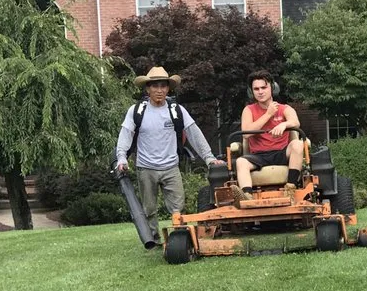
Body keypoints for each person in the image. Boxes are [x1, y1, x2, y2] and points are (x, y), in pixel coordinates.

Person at [113, 66, 223, 245]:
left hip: (171, 167)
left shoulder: (176, 110)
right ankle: (153, 239)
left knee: (178, 206)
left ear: (168, 88)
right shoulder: (136, 111)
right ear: (147, 89)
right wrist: (121, 158)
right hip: (146, 168)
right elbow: (126, 135)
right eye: (155, 86)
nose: (159, 90)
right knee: (149, 208)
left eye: (163, 86)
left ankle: (180, 236)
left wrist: (209, 157)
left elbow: (194, 134)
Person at [230, 71, 302, 205]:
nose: (260, 92)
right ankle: (247, 196)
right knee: (240, 162)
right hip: (258, 156)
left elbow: (295, 122)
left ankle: (290, 188)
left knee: (297, 144)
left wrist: (284, 124)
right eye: (256, 89)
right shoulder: (249, 110)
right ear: (251, 92)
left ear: (272, 88)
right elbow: (246, 133)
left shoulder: (285, 108)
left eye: (264, 87)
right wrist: (268, 114)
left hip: (281, 152)